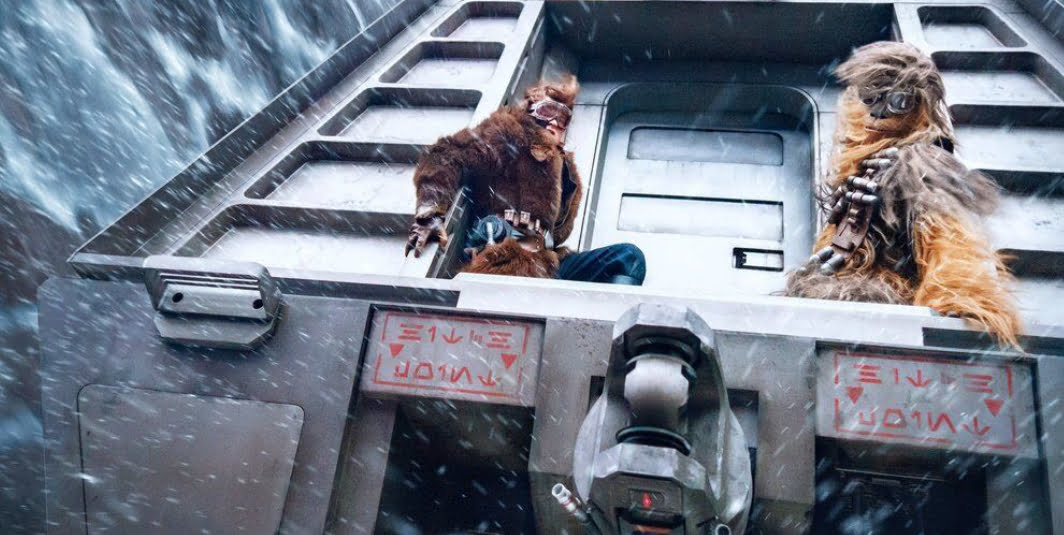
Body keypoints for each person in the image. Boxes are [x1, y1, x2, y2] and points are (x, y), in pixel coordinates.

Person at [404, 76, 646, 285]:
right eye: (548, 110)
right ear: (531, 111)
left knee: (628, 258)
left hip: (548, 264)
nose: (556, 121)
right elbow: (447, 153)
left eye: (564, 117)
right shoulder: (512, 133)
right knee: (520, 276)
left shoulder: (567, 173)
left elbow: (557, 234)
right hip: (505, 256)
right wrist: (430, 213)